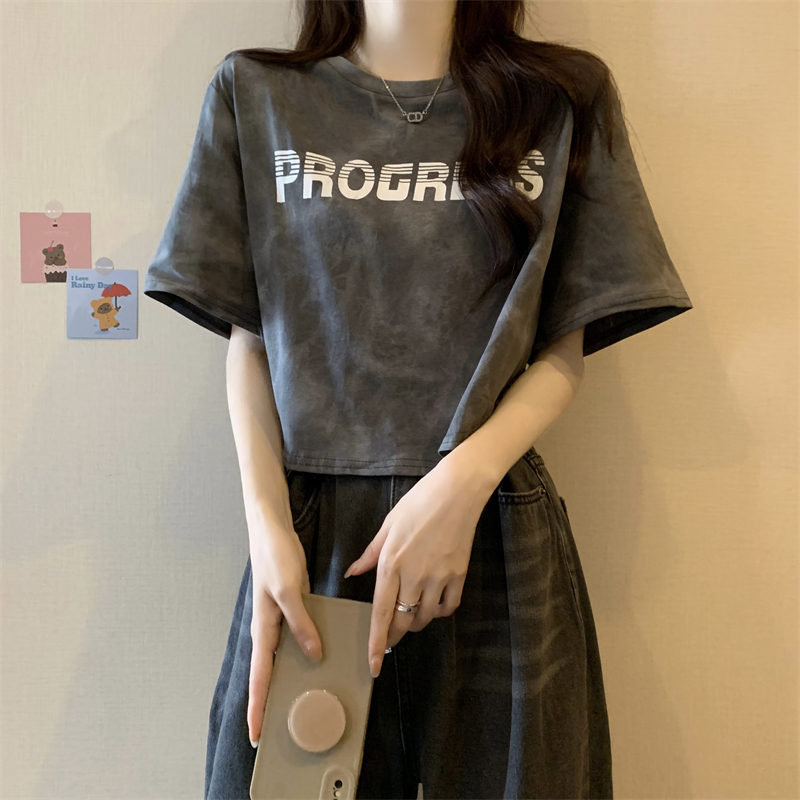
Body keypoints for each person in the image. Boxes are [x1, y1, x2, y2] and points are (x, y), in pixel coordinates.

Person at [143, 1, 694, 798]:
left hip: (490, 531)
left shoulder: (560, 99)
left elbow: (562, 350)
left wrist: (461, 485)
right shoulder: (257, 94)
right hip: (312, 542)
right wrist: (268, 531)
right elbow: (252, 341)